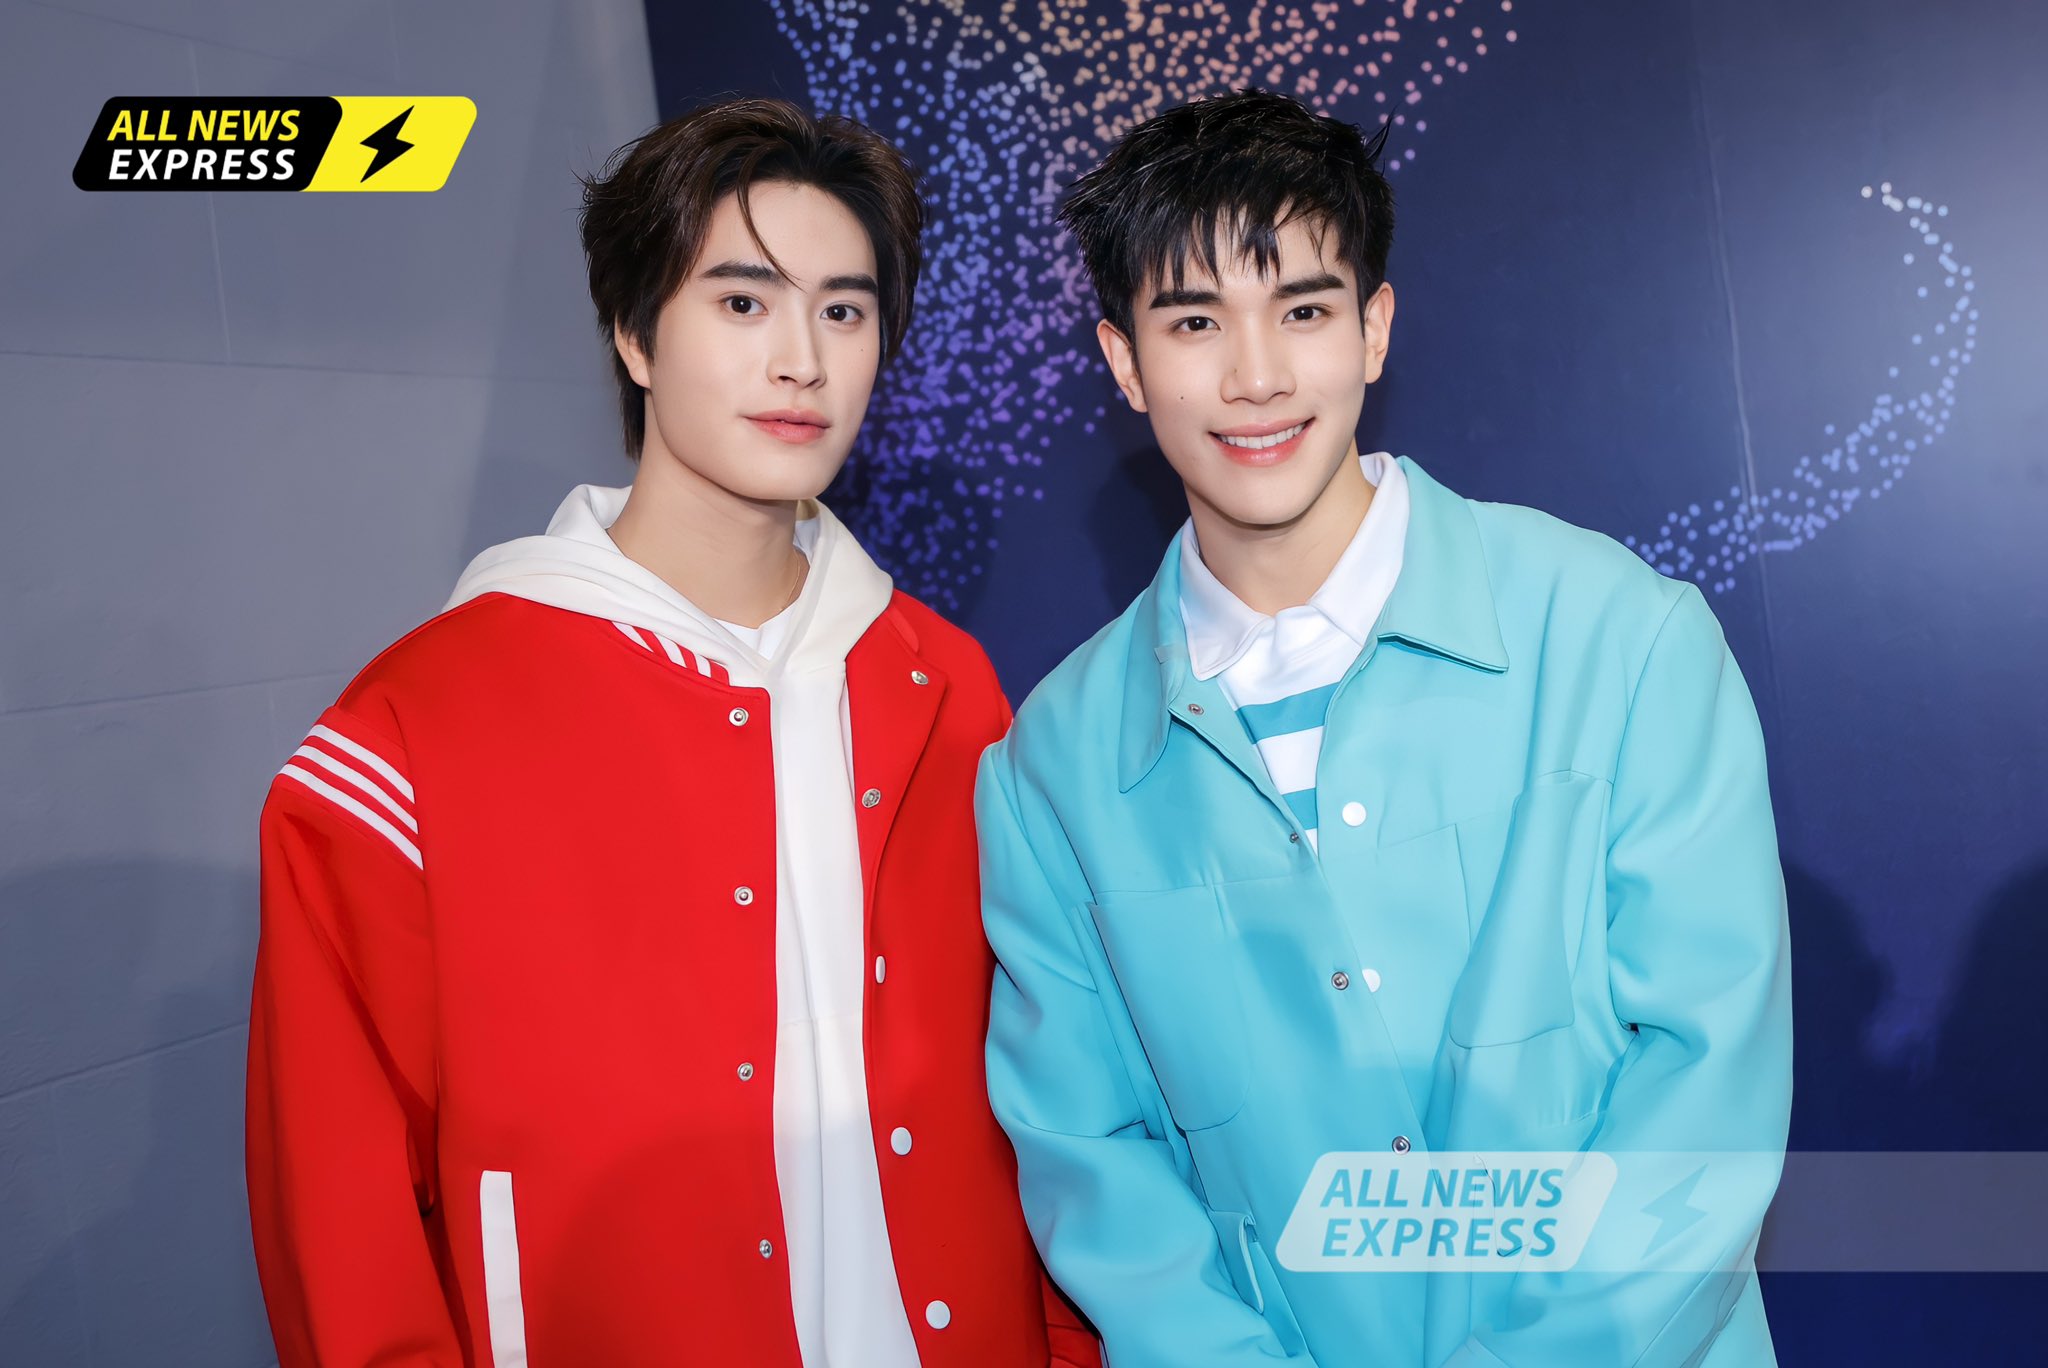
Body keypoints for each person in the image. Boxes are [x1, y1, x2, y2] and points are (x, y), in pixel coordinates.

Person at [247, 96, 1095, 1368]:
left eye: (844, 311)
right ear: (635, 333)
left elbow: (1046, 1088)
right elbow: (337, 1205)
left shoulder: (947, 688)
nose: (801, 361)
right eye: (742, 302)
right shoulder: (407, 739)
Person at [978, 89, 1792, 1366]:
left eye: (1302, 310)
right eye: (1193, 323)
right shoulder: (1051, 770)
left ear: (1373, 328)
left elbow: (1702, 1080)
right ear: (1124, 362)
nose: (1254, 377)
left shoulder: (1619, 637)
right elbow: (1098, 1165)